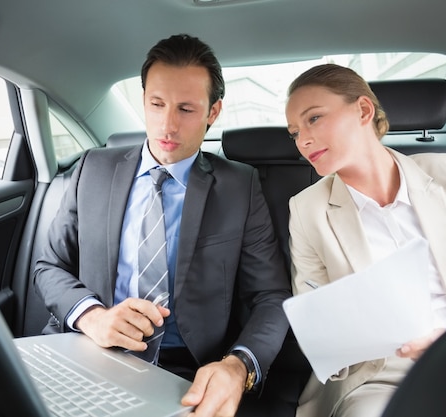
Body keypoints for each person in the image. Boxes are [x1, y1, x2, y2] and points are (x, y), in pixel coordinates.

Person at [34, 34, 292, 417]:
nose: (168, 125)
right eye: (157, 105)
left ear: (213, 111)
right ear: (143, 101)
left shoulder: (240, 186)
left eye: (186, 109)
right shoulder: (93, 169)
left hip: (186, 369)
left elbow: (270, 296)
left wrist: (238, 366)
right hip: (88, 349)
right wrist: (93, 317)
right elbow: (48, 266)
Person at [284, 63, 446, 417]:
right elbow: (316, 318)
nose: (302, 140)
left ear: (363, 110)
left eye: (313, 119)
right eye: (293, 132)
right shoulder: (308, 209)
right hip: (376, 376)